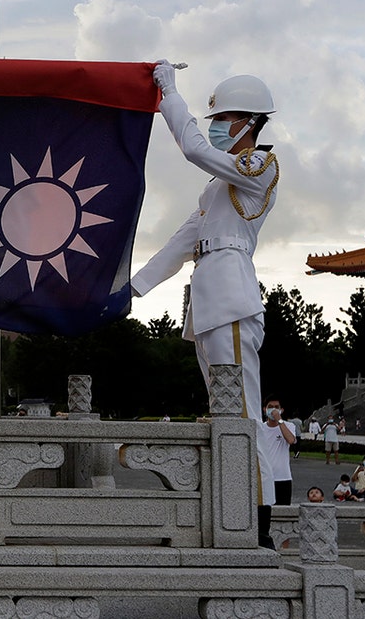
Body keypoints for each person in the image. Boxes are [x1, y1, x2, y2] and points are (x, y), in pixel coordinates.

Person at [132, 64, 280, 531]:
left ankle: (258, 522)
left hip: (231, 297)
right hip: (210, 298)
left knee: (242, 414)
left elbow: (194, 148)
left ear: (250, 124)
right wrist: (131, 290)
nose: (218, 125)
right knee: (224, 413)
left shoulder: (259, 166)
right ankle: (234, 511)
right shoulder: (217, 187)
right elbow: (181, 242)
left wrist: (169, 95)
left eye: (227, 117)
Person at [255, 398, 296, 548]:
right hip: (265, 478)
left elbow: (291, 440)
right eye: (270, 407)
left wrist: (279, 421)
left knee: (283, 518)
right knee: (264, 516)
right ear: (264, 409)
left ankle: (284, 549)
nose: (273, 410)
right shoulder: (259, 427)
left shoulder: (288, 426)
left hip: (283, 478)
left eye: (276, 407)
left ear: (281, 409)